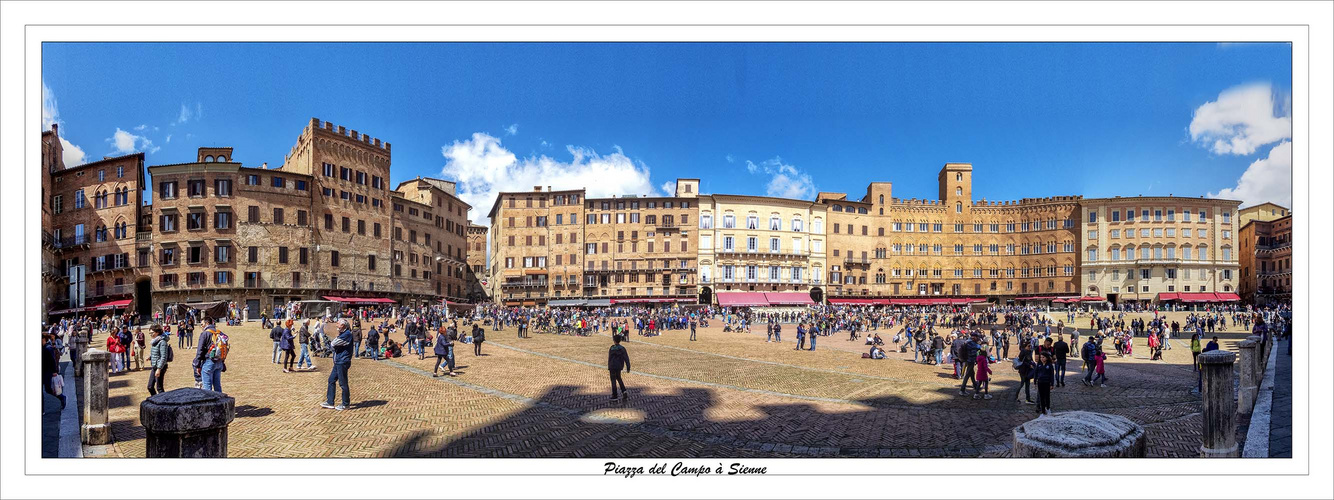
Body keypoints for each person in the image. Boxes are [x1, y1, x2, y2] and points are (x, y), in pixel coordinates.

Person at [323, 320, 354, 410]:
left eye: (338, 324)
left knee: (343, 383)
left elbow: (333, 343)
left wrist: (333, 343)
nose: (337, 325)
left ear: (343, 325)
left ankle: (345, 404)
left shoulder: (347, 334)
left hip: (342, 361)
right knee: (331, 380)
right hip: (337, 361)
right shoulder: (342, 333)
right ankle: (330, 401)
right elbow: (334, 343)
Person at [194, 317, 227, 393]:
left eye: (202, 324)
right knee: (217, 386)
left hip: (209, 361)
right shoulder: (219, 332)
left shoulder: (205, 333)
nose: (201, 326)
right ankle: (220, 403)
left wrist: (197, 365)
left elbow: (200, 350)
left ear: (207, 323)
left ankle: (209, 404)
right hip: (219, 362)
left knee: (207, 388)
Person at [147, 325, 171, 396]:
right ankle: (155, 401)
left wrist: (159, 369)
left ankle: (164, 404)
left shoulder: (162, 342)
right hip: (155, 366)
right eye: (150, 333)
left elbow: (163, 357)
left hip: (160, 367)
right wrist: (150, 357)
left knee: (159, 388)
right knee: (150, 387)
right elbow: (157, 353)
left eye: (152, 333)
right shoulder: (155, 341)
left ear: (157, 332)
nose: (151, 335)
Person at [608, 334, 631, 402]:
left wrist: (609, 366)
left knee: (613, 380)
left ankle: (615, 395)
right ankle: (624, 391)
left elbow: (609, 358)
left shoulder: (611, 348)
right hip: (619, 366)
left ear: (614, 341)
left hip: (612, 366)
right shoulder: (622, 348)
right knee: (619, 378)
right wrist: (628, 366)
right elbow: (626, 358)